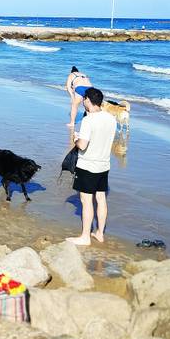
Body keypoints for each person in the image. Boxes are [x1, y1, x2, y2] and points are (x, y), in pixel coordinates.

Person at [67, 87, 117, 246]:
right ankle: (100, 233)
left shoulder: (89, 120)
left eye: (84, 99)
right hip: (104, 165)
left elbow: (82, 145)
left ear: (88, 100)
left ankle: (85, 237)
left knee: (86, 200)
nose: (82, 101)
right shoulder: (111, 118)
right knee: (101, 199)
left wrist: (76, 138)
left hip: (88, 166)